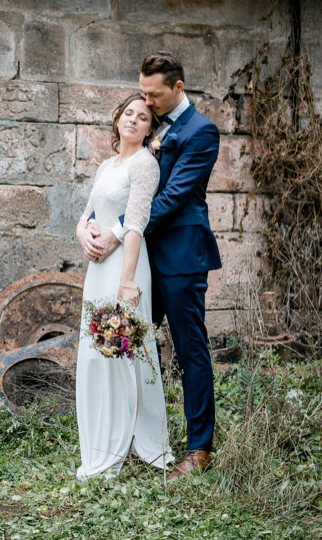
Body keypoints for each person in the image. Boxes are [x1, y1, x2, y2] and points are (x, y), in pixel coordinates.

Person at [87, 51, 222, 480]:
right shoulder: (154, 129)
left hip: (180, 257)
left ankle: (199, 448)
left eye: (153, 94)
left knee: (189, 348)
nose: (147, 101)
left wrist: (118, 229)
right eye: (141, 93)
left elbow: (171, 197)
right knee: (133, 345)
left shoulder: (202, 132)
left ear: (177, 88)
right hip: (141, 259)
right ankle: (138, 437)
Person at [74, 93, 175, 480]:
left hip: (124, 267)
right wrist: (83, 235)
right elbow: (87, 215)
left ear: (151, 128)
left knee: (126, 351)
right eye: (128, 114)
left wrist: (128, 281)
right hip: (96, 268)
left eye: (143, 117)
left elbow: (135, 225)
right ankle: (100, 437)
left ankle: (135, 439)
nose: (134, 120)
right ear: (118, 120)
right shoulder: (106, 165)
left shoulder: (144, 164)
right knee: (97, 349)